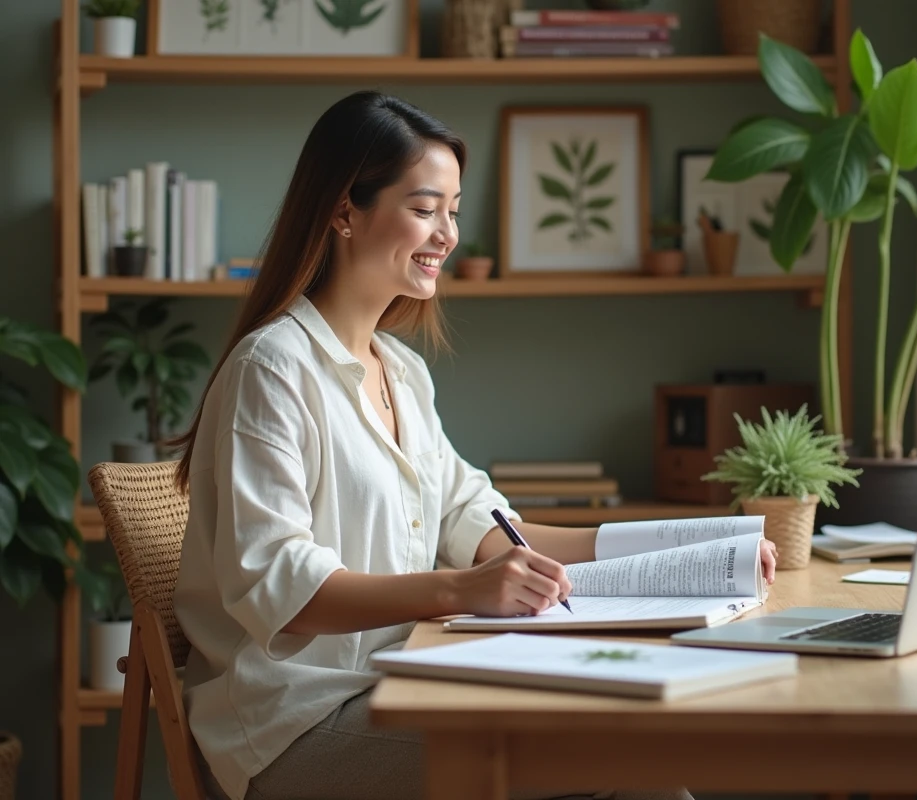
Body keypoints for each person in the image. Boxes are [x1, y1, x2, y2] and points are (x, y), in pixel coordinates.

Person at [170, 90, 776, 800]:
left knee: (631, 746)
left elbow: (482, 526)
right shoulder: (271, 370)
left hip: (401, 681)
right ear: (343, 212)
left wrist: (698, 547)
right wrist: (460, 589)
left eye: (453, 212)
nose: (448, 235)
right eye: (426, 209)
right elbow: (283, 586)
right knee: (617, 757)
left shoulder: (402, 372)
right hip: (292, 726)